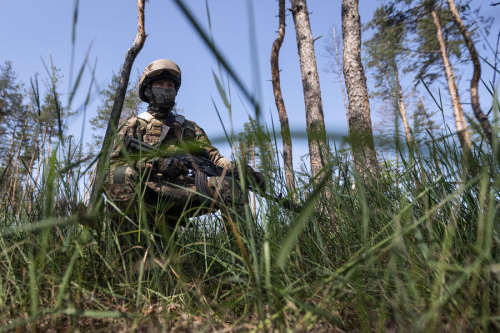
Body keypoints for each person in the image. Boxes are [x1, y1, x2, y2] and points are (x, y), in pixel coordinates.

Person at [104, 59, 264, 244]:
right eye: (160, 84)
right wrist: (155, 164)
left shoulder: (188, 128)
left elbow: (214, 159)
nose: (166, 88)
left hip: (184, 191)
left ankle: (249, 259)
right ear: (147, 90)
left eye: (170, 84)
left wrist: (240, 170)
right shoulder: (135, 125)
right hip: (146, 190)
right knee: (118, 175)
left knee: (228, 183)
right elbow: (112, 164)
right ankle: (129, 258)